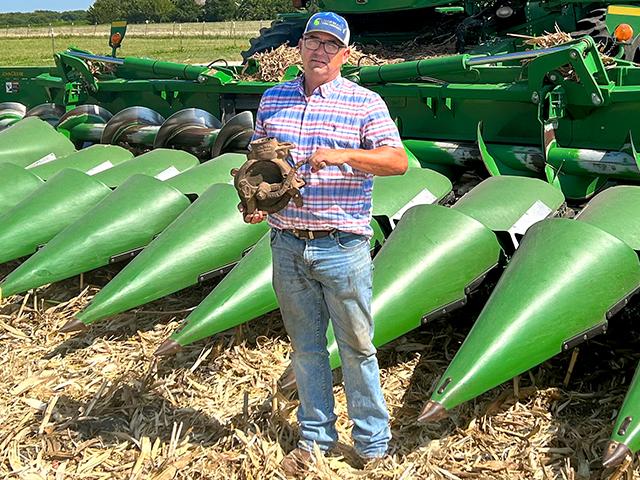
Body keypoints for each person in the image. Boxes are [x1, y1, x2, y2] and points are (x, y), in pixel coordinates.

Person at [244, 11, 408, 476]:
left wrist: (343, 155)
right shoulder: (273, 98)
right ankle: (315, 438)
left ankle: (373, 443)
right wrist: (257, 200)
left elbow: (397, 162)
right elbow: (259, 160)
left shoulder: (364, 103)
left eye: (330, 45)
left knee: (357, 346)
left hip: (342, 246)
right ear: (300, 48)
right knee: (305, 347)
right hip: (287, 244)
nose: (320, 50)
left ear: (345, 55)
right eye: (312, 41)